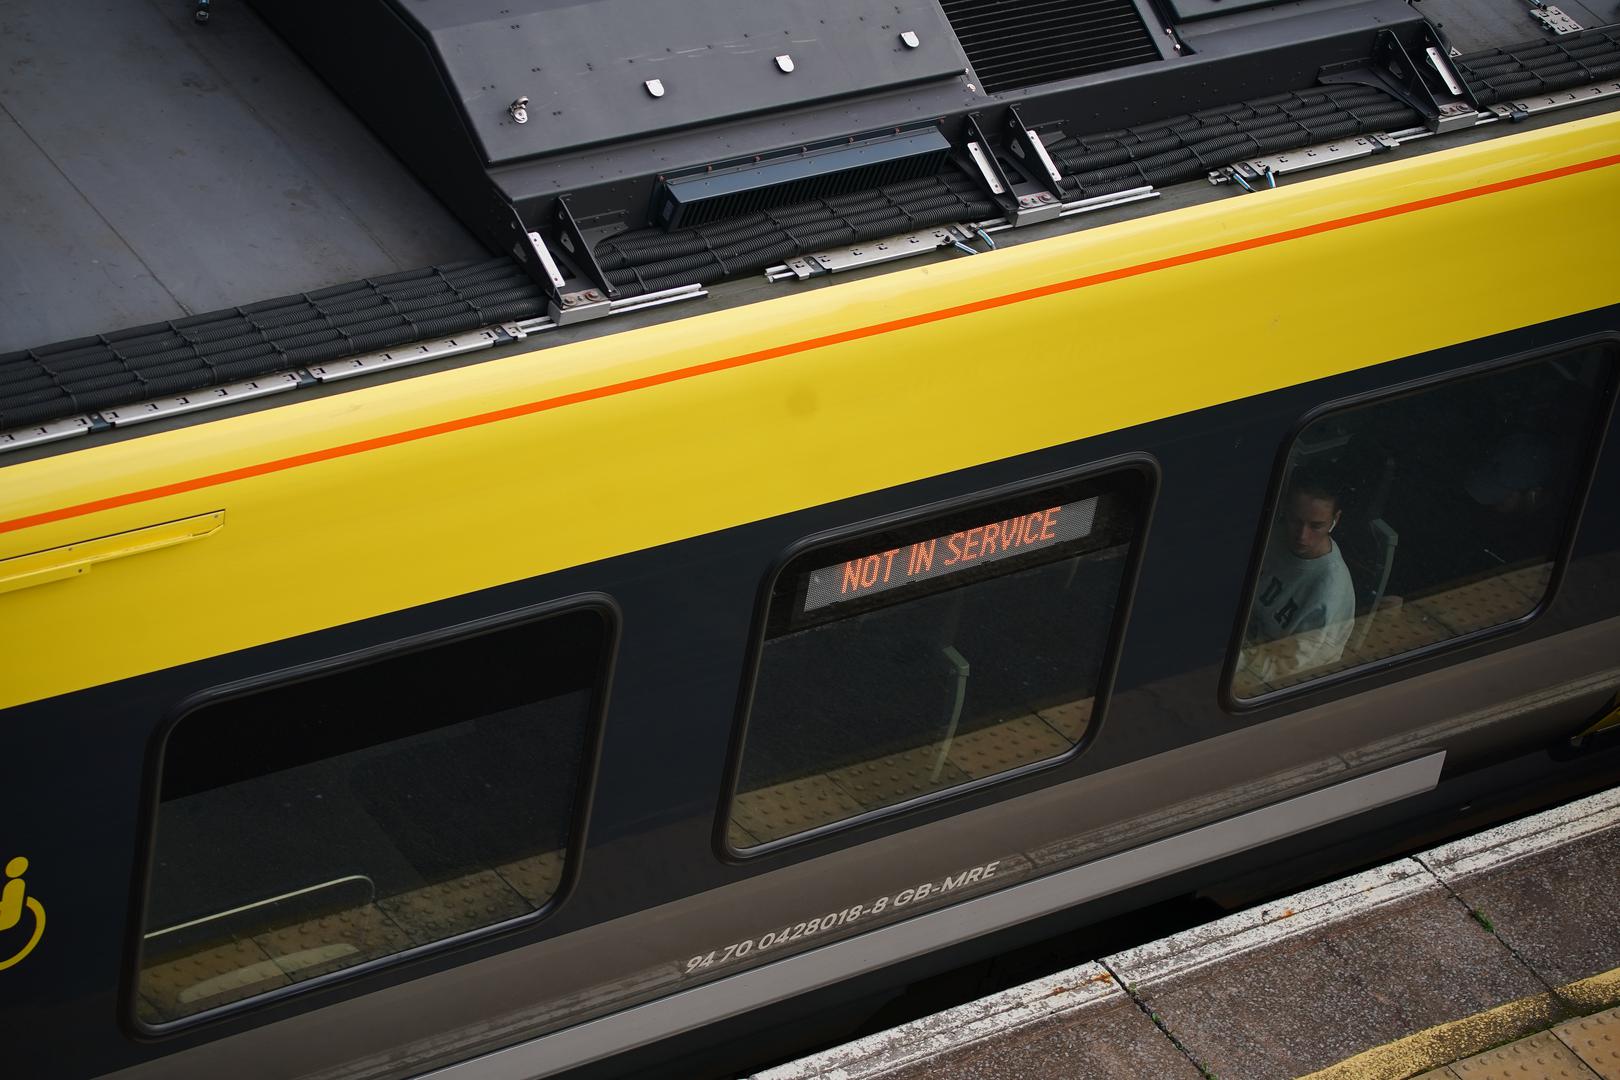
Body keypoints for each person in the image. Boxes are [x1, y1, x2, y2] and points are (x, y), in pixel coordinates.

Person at [1241, 468, 1356, 685]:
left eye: (1316, 526)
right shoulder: (1274, 535)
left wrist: (1236, 660)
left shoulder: (1329, 593)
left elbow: (1287, 675)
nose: (1302, 536)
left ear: (1335, 519)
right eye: (1295, 520)